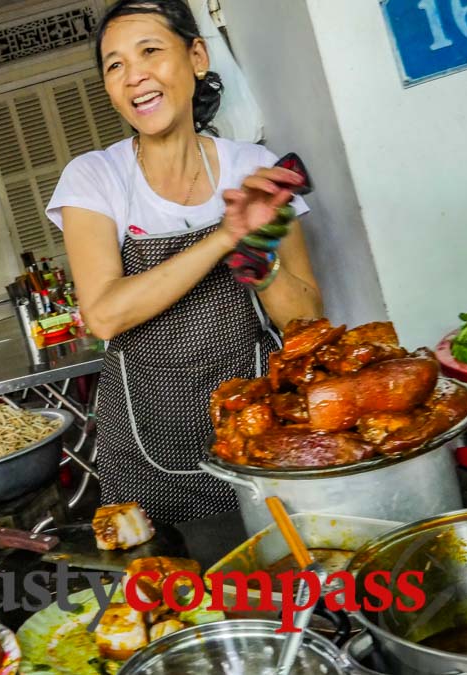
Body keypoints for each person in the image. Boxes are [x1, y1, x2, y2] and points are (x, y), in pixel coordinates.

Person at [46, 0, 323, 523]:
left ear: (196, 56)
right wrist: (224, 238)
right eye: (115, 65)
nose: (134, 77)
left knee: (283, 581)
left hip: (261, 426)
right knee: (173, 595)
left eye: (150, 51)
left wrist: (258, 259)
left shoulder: (254, 168)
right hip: (144, 444)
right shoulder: (95, 178)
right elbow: (104, 315)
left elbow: (305, 323)